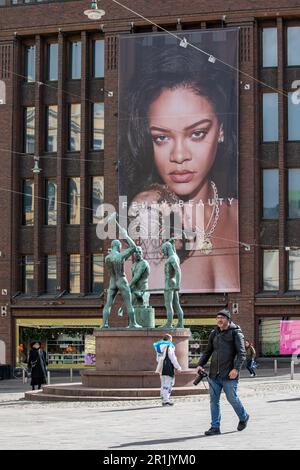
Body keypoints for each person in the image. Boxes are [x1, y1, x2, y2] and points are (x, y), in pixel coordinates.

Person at [121, 43, 239, 293]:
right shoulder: (147, 214)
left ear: (221, 130)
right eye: (161, 138)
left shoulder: (242, 216)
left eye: (197, 133)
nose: (179, 155)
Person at [197, 309, 249, 435]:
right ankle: (215, 427)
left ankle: (244, 416)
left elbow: (242, 354)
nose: (219, 320)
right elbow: (208, 351)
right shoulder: (214, 333)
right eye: (218, 317)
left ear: (228, 319)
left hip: (229, 374)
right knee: (214, 401)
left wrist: (236, 369)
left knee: (232, 399)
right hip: (214, 374)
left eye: (222, 317)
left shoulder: (236, 333)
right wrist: (200, 364)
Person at [102, 222, 142, 329]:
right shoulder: (120, 256)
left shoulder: (107, 258)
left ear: (111, 246)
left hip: (112, 281)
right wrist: (126, 235)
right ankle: (133, 323)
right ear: (119, 246)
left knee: (108, 304)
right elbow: (134, 247)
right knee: (128, 303)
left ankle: (104, 324)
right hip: (121, 279)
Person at [160, 239, 184, 328]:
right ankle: (180, 323)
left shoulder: (172, 258)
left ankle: (169, 323)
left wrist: (178, 284)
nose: (163, 253)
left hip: (169, 283)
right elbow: (172, 248)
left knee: (168, 304)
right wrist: (171, 242)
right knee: (176, 304)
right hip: (172, 282)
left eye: (163, 250)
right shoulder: (175, 256)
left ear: (167, 248)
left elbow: (178, 271)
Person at [153, 334, 182, 406]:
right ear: (169, 339)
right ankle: (166, 400)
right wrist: (178, 367)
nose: (172, 340)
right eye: (171, 339)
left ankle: (163, 398)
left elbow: (157, 359)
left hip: (161, 366)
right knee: (168, 383)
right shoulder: (169, 346)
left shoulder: (158, 346)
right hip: (168, 367)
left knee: (163, 383)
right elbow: (172, 357)